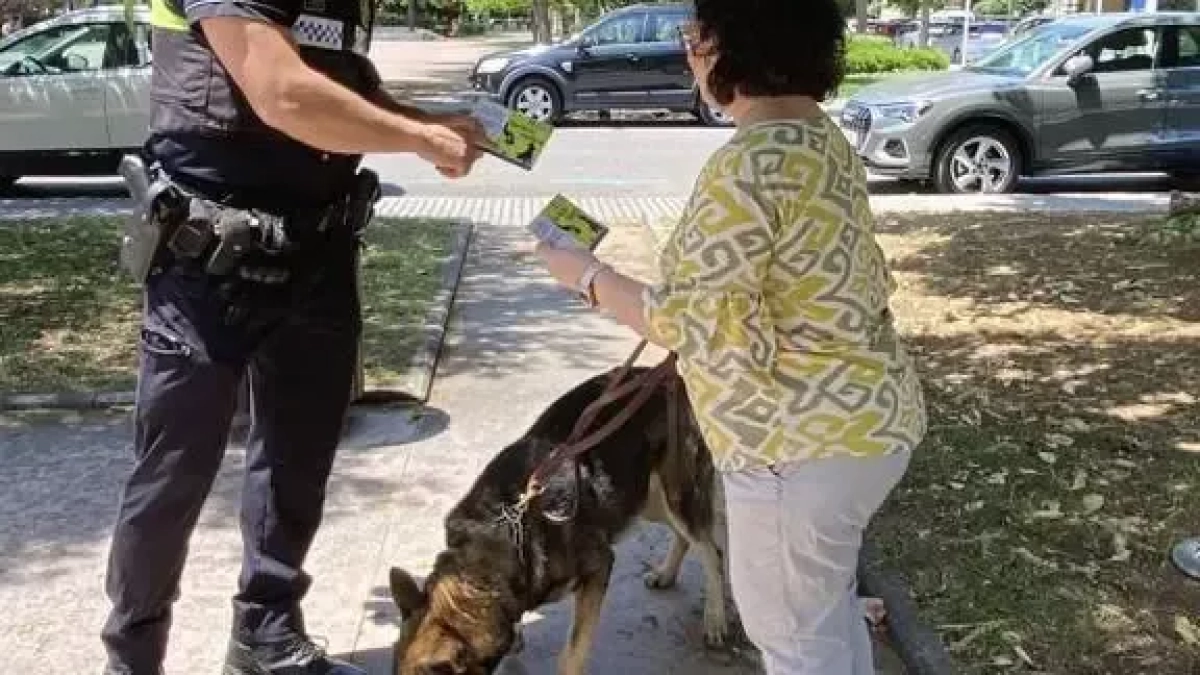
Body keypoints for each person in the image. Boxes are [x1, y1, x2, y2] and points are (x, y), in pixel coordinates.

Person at [534, 1, 928, 673]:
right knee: (824, 616)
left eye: (697, 35)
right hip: (869, 424)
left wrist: (585, 274)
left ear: (731, 48)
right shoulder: (820, 138)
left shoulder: (745, 164)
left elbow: (689, 323)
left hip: (797, 448)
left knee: (796, 642)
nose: (690, 50)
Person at [101, 1, 486, 674]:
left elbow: (332, 76)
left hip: (318, 252)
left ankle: (266, 633)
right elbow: (279, 89)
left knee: (298, 457)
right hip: (207, 262)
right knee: (172, 475)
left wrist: (427, 123)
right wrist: (421, 140)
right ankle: (131, 659)